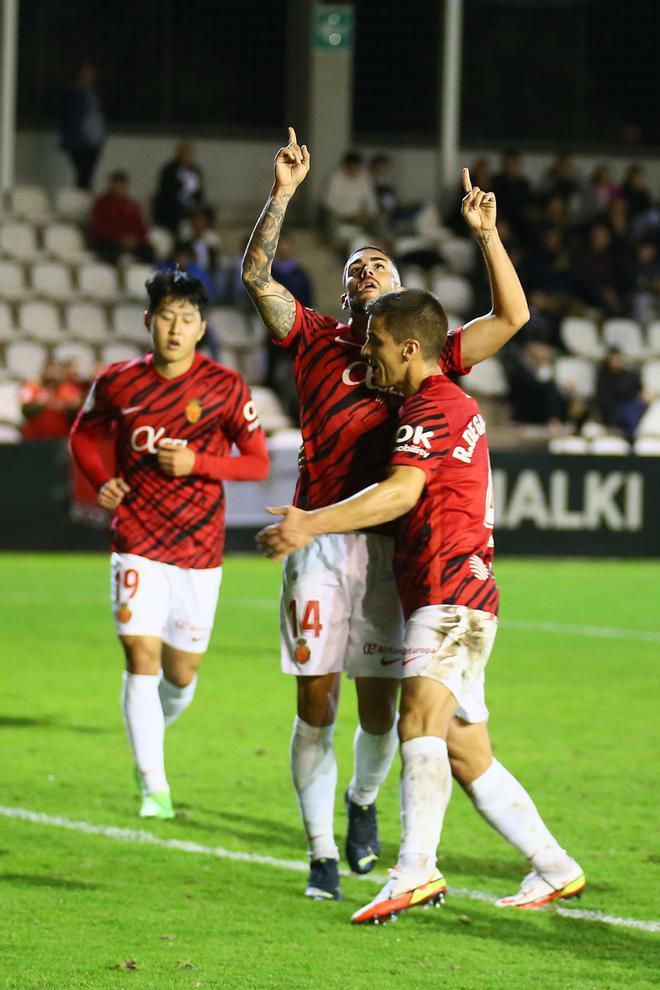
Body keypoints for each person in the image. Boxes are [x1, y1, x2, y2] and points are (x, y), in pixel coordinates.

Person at [241, 129, 570, 906]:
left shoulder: (428, 357)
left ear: (399, 297)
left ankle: (365, 808)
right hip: (322, 541)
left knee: (388, 704)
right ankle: (324, 849)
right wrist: (284, 193)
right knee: (317, 695)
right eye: (355, 268)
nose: (364, 271)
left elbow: (513, 315)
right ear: (346, 291)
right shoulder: (315, 337)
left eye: (379, 265)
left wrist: (488, 237)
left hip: (397, 545)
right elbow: (255, 274)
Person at [69, 271, 269, 819]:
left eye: (186, 319)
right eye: (166, 317)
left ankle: (148, 735)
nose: (175, 329)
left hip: (199, 550)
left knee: (180, 675)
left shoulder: (226, 388)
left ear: (202, 327)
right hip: (135, 539)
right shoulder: (118, 382)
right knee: (141, 656)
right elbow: (84, 434)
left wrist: (198, 462)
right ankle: (154, 786)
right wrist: (101, 477)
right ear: (148, 322)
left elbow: (257, 462)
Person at [90, 170, 155, 265]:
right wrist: (120, 237)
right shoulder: (101, 203)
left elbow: (141, 226)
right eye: (117, 185)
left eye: (122, 185)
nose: (119, 188)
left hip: (130, 241)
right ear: (111, 186)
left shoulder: (131, 205)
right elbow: (99, 227)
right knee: (112, 249)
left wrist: (135, 239)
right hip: (109, 240)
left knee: (148, 250)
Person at [59, 62, 106, 190]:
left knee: (88, 173)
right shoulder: (73, 93)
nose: (89, 77)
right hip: (79, 140)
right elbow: (70, 117)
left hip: (94, 140)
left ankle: (84, 197)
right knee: (82, 173)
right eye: (86, 74)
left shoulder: (95, 92)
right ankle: (79, 200)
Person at [153, 143, 206, 234]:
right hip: (173, 207)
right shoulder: (169, 171)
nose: (186, 157)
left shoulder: (195, 171)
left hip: (191, 207)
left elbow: (199, 193)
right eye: (184, 154)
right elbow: (166, 192)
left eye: (188, 154)